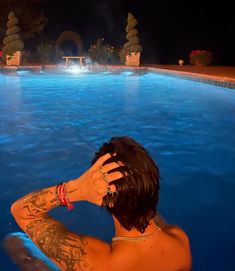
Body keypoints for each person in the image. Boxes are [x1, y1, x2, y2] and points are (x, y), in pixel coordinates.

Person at [10, 136, 192, 271]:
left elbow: (21, 211)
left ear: (108, 200)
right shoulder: (179, 239)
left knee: (15, 241)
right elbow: (145, 206)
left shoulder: (95, 262)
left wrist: (77, 188)